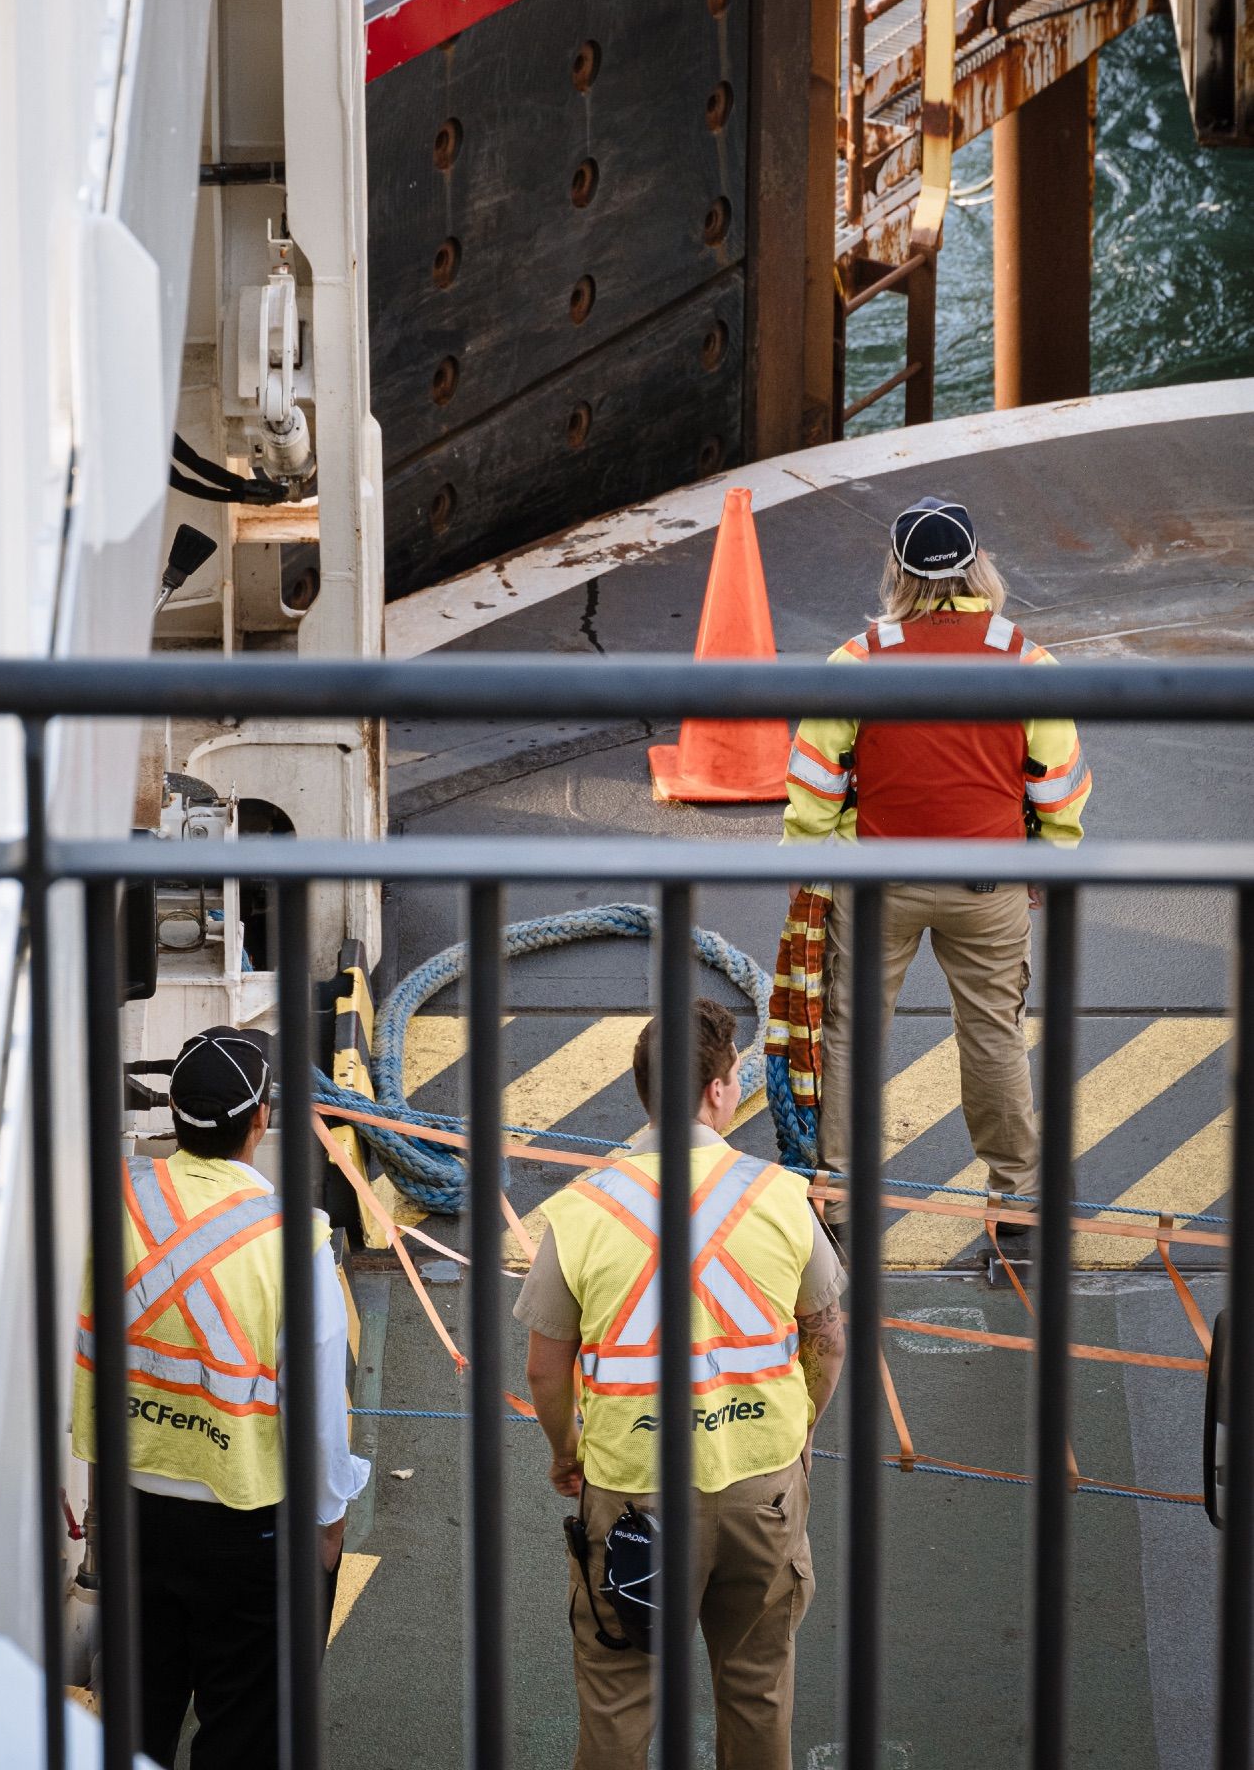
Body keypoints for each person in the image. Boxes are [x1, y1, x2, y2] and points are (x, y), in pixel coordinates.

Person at [515, 998, 846, 1770]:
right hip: (760, 1485)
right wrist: (795, 1435)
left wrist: (567, 1452)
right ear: (721, 1090)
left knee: (617, 1693)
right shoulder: (779, 1196)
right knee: (756, 1688)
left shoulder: (584, 1209)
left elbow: (544, 1366)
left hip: (631, 1491)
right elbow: (825, 1338)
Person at [783, 495, 1092, 1249]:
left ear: (896, 572)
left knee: (853, 1037)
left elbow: (813, 791)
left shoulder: (854, 662)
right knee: (992, 1037)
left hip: (876, 880)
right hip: (987, 885)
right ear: (976, 566)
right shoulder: (1027, 661)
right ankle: (1014, 1199)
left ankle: (840, 1198)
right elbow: (1059, 785)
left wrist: (815, 867)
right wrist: (1045, 862)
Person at [71, 1026, 369, 1770]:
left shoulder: (117, 1201)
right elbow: (319, 1403)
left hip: (131, 1505)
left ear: (172, 1109)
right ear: (262, 1118)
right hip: (245, 1520)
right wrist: (329, 1518)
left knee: (138, 1708)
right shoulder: (292, 1242)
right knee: (245, 1724)